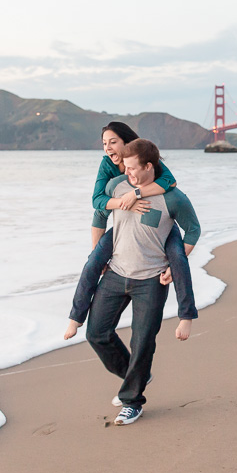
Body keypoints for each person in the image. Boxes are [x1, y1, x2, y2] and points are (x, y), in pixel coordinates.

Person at [69, 139, 199, 425]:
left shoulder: (174, 198)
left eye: (132, 169)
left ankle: (132, 402)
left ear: (149, 167)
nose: (126, 173)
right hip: (115, 273)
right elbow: (99, 211)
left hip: (151, 280)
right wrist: (97, 255)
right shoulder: (116, 186)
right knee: (97, 334)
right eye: (124, 168)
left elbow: (193, 229)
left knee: (142, 342)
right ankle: (137, 376)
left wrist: (173, 265)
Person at [63, 122, 192, 339]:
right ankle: (75, 318)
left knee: (178, 259)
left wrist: (137, 193)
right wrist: (126, 202)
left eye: (113, 142)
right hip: (125, 225)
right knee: (92, 262)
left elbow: (170, 181)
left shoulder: (144, 158)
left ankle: (186, 316)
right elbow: (98, 202)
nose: (108, 148)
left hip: (160, 224)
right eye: (104, 143)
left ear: (127, 143)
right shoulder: (107, 166)